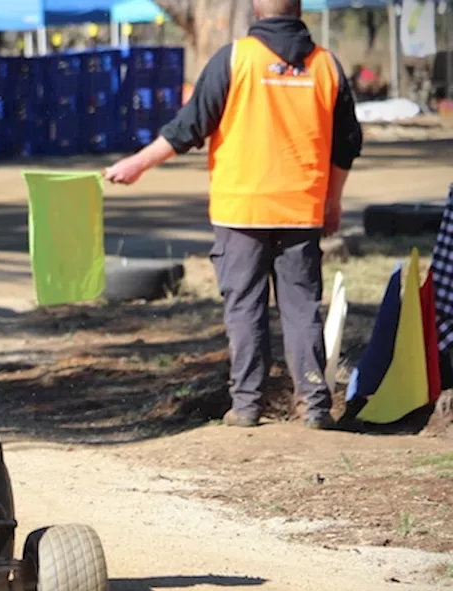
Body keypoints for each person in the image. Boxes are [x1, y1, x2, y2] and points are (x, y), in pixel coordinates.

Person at [104, 0, 363, 430]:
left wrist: (137, 164)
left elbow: (188, 127)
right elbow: (346, 144)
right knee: (301, 308)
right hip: (300, 210)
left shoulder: (235, 58)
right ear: (299, 10)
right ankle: (315, 405)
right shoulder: (326, 66)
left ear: (258, 10)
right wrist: (332, 202)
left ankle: (246, 406)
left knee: (245, 307)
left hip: (241, 209)